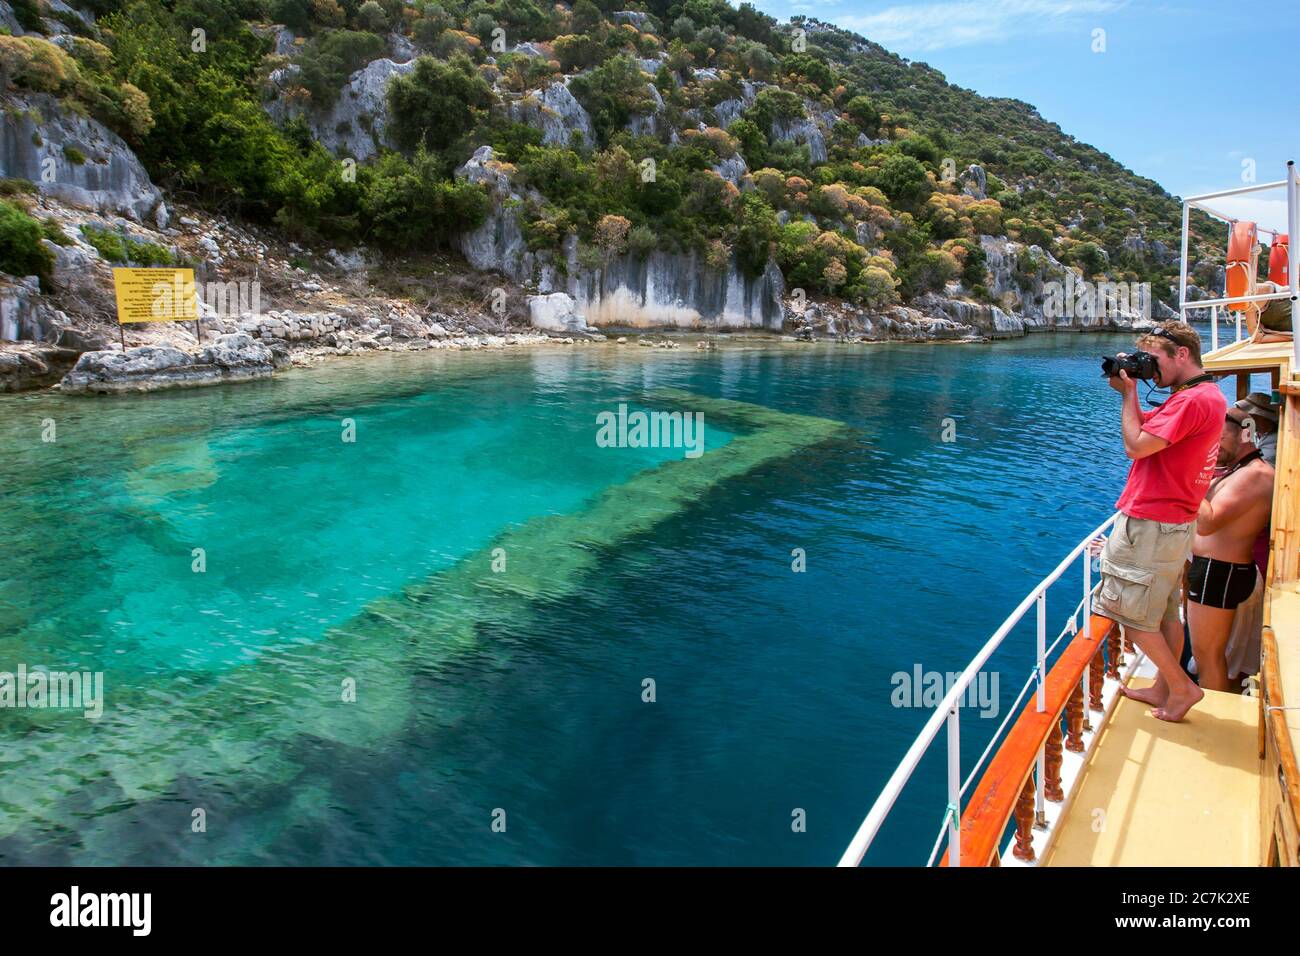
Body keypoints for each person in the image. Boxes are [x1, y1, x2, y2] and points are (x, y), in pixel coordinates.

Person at [1098, 321, 1225, 722]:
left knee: (1130, 614)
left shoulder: (1191, 401)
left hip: (1153, 522)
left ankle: (1183, 688)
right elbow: (1150, 433)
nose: (1149, 370)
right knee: (1167, 613)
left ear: (1181, 355)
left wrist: (1129, 395)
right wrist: (1131, 393)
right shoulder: (1202, 396)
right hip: (1173, 523)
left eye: (1153, 361)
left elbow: (1136, 447)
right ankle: (1163, 687)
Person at [1186, 408, 1274, 691]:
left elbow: (1207, 522)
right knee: (1216, 655)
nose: (1213, 446)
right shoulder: (1239, 471)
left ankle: (1213, 726)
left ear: (1246, 432)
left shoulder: (1255, 475)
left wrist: (1187, 474)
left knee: (1207, 657)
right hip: (1217, 571)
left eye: (1219, 437)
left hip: (1219, 573)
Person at [1235, 391, 1278, 464]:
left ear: (1262, 416)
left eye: (1247, 413)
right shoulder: (1255, 433)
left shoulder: (1276, 442)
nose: (1244, 416)